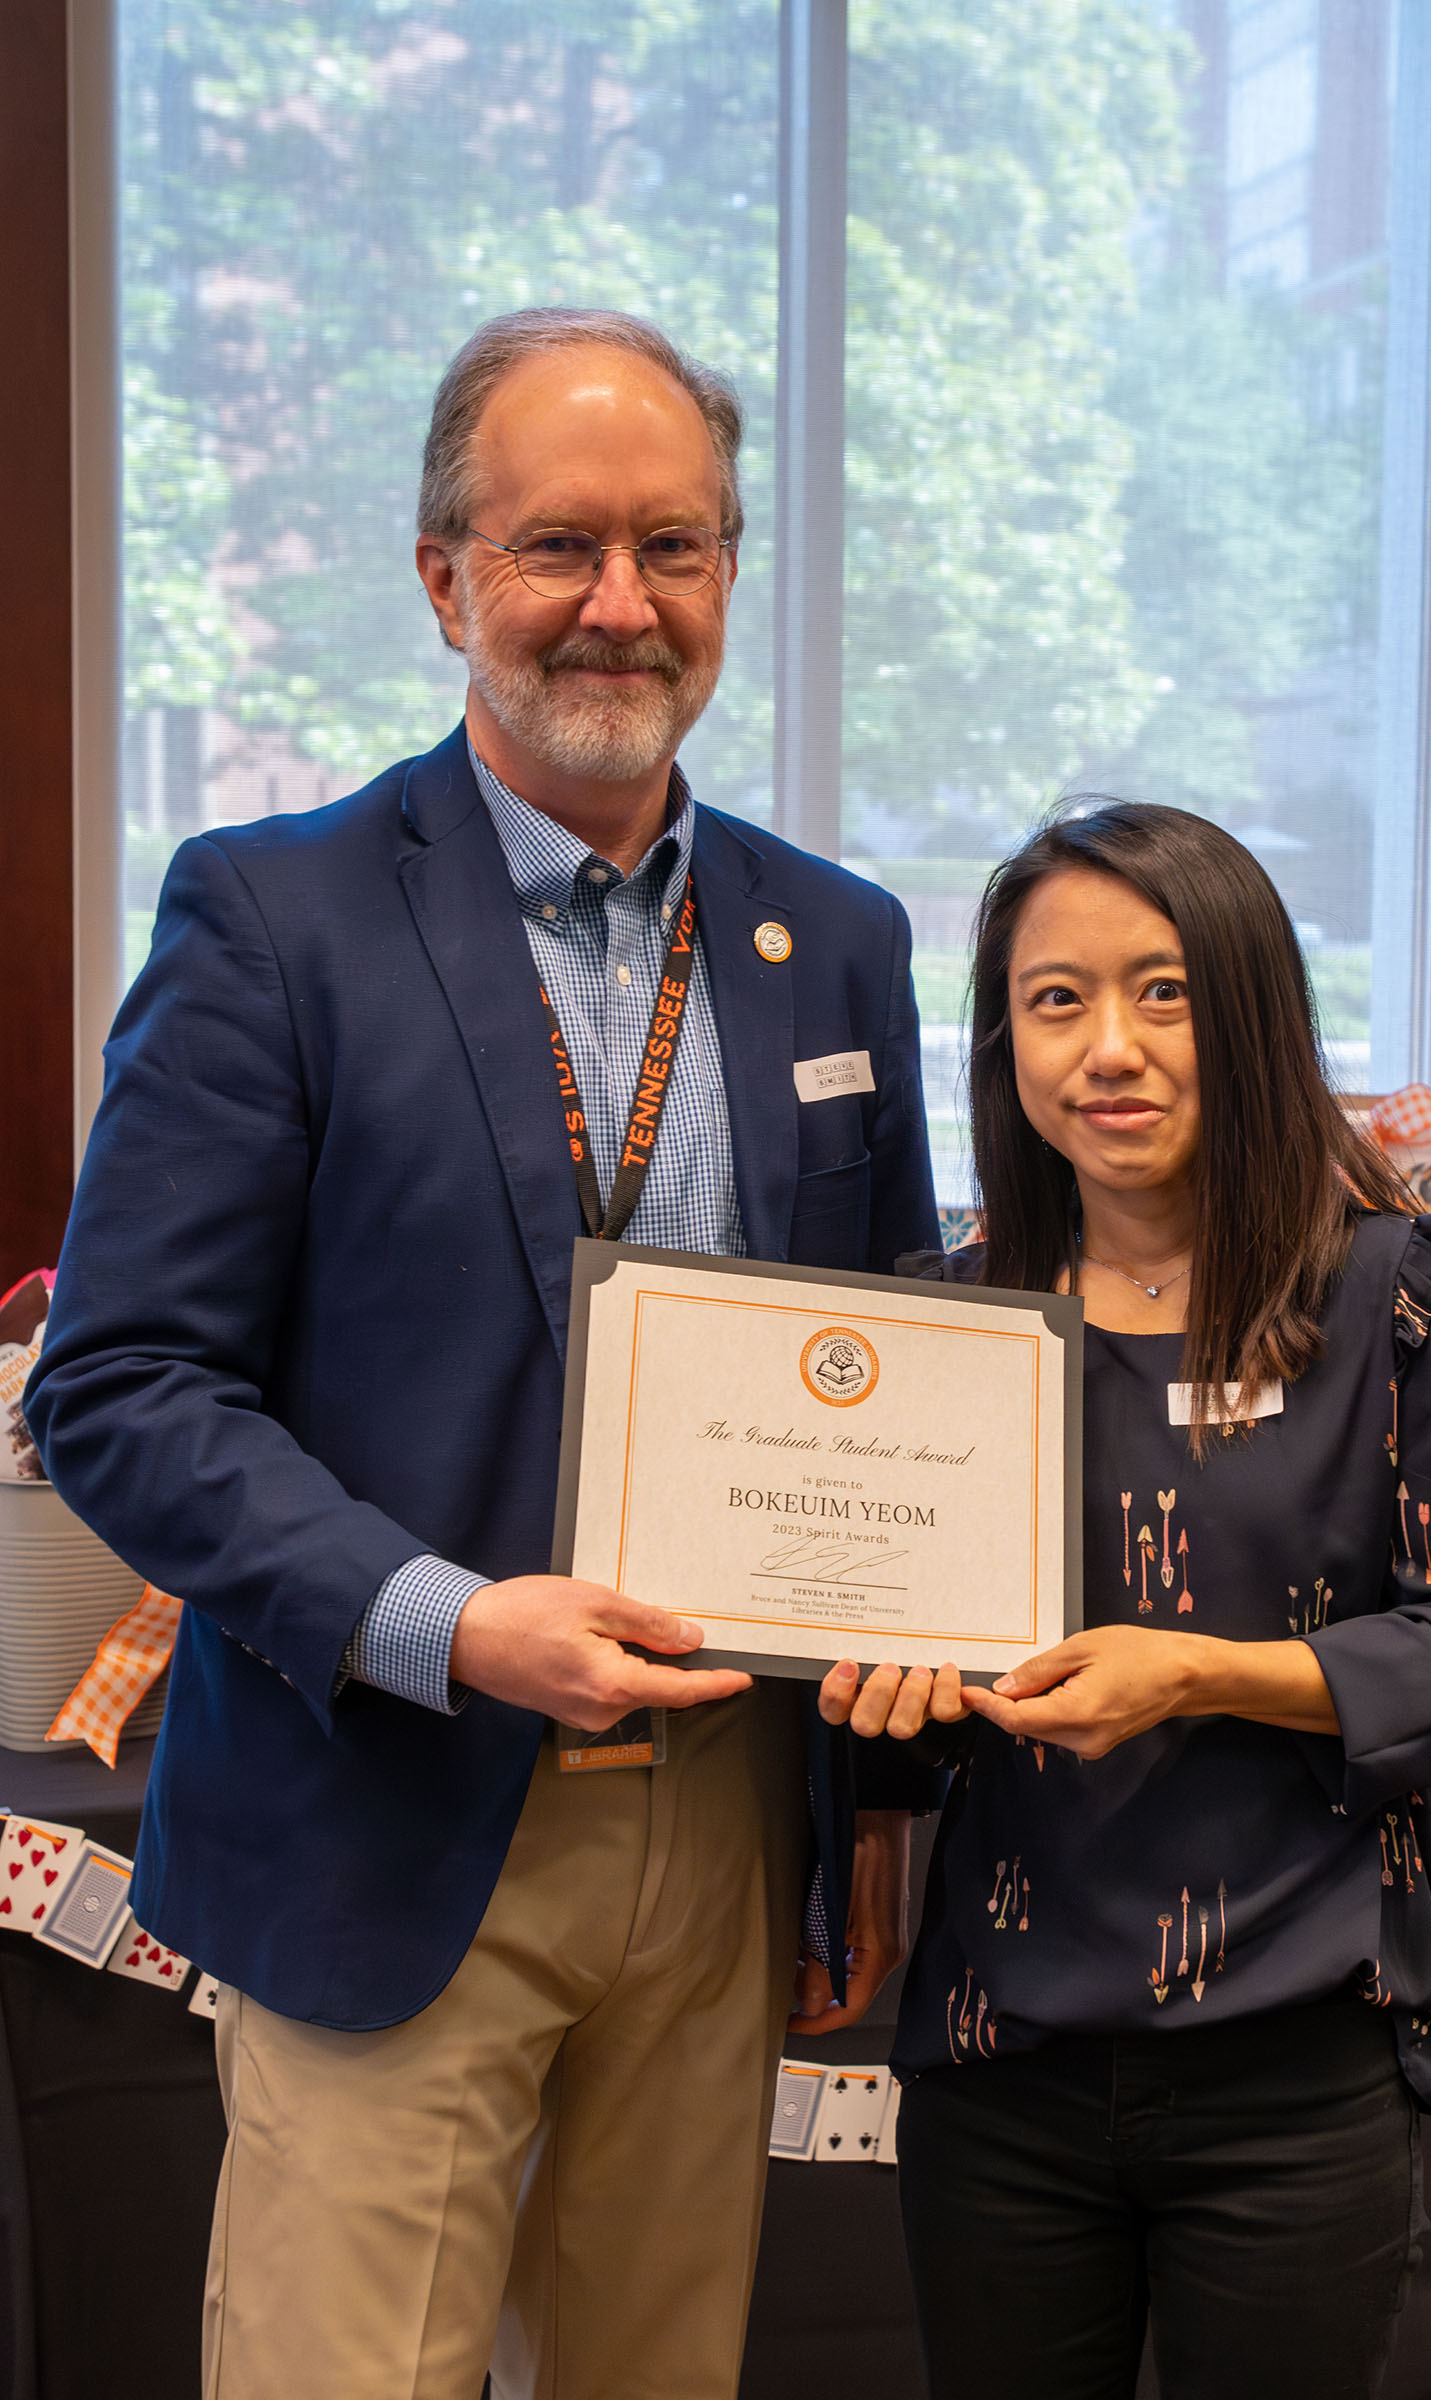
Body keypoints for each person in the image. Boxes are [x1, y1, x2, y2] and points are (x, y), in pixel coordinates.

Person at [26, 307, 939, 2400]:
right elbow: (122, 1387)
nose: (621, 603)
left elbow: (892, 1376)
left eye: (675, 546)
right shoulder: (273, 918)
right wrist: (449, 1622)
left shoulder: (840, 942)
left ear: (728, 574)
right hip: (386, 1801)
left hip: (726, 1821)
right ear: (446, 578)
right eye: (557, 546)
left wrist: (876, 1813)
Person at [821, 802, 1431, 2400]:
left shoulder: (1397, 1296)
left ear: (1249, 1009)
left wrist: (1202, 1674)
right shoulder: (944, 1325)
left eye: (1162, 992)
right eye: (1055, 1000)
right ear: (1003, 1042)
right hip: (1003, 2062)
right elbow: (914, 1700)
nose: (1111, 1049)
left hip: (1297, 2059)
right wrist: (882, 1724)